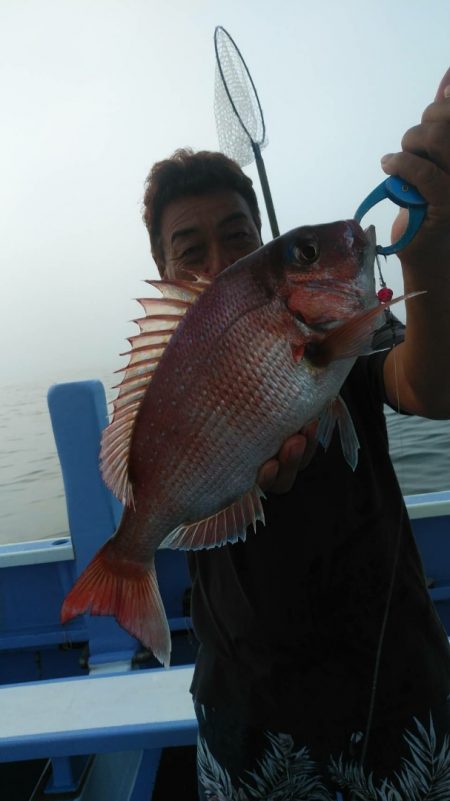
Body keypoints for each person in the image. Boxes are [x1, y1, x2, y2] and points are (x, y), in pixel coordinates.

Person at [141, 70, 450, 799]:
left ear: (264, 240)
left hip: (390, 677)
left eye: (238, 235)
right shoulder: (168, 372)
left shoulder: (345, 329)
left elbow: (426, 385)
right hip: (246, 700)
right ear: (162, 272)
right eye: (189, 250)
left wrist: (427, 254)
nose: (218, 263)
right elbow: (154, 470)